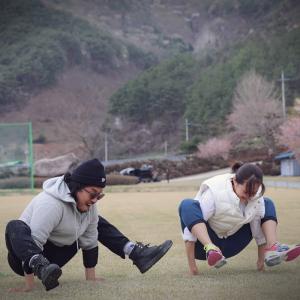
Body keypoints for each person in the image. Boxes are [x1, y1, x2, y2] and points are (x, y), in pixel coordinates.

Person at [5, 158, 172, 292]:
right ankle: (40, 267)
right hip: (23, 257)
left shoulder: (89, 205)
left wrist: (90, 279)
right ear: (77, 187)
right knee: (15, 226)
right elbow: (34, 240)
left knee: (97, 220)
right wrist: (29, 286)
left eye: (99, 196)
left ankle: (135, 253)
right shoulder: (50, 204)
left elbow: (90, 239)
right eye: (92, 194)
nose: (94, 200)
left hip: (55, 258)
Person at [178, 161, 300, 275]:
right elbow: (191, 228)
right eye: (246, 192)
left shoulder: (256, 197)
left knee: (267, 203)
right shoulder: (214, 190)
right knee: (187, 205)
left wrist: (260, 264)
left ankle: (273, 247)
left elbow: (258, 230)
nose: (249, 197)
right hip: (204, 247)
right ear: (235, 181)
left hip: (233, 244)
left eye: (253, 193)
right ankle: (212, 249)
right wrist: (193, 269)